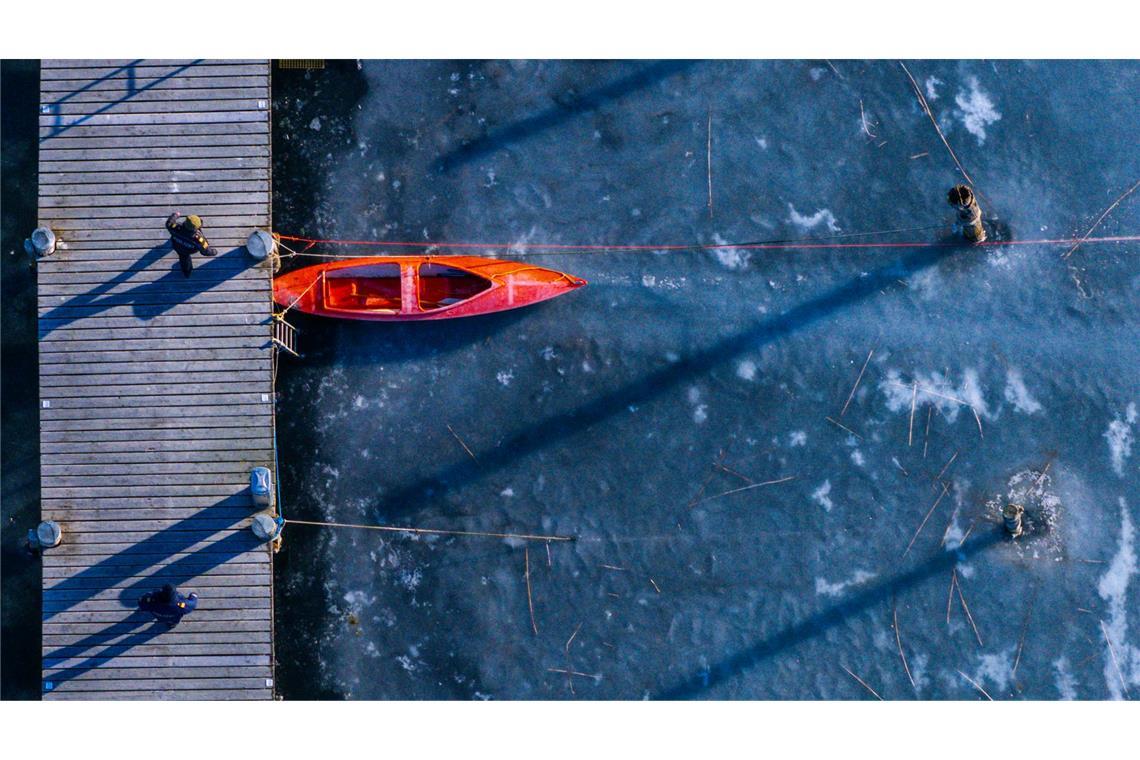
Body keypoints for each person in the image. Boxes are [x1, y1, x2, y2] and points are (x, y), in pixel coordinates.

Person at [165, 212, 214, 277]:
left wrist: (175, 215)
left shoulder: (175, 227)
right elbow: (205, 251)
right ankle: (187, 272)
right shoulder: (198, 239)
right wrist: (213, 252)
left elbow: (169, 223)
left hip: (177, 245)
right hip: (189, 250)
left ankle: (186, 272)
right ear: (196, 228)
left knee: (183, 258)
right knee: (185, 258)